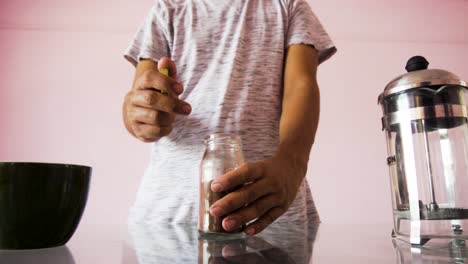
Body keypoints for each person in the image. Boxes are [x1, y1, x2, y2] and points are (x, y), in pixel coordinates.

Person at [122, 0, 336, 235]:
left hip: (270, 210)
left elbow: (300, 85)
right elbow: (140, 98)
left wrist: (292, 166)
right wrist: (141, 116)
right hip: (168, 217)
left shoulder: (289, 6)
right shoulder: (168, 10)